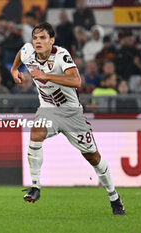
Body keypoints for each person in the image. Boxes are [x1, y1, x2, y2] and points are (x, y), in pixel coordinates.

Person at [10, 22, 125, 215]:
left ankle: (113, 196)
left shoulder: (61, 55)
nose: (38, 41)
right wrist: (14, 70)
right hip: (48, 110)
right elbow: (20, 55)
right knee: (36, 132)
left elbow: (76, 81)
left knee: (93, 157)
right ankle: (36, 186)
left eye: (43, 38)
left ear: (51, 40)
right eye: (35, 38)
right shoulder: (27, 51)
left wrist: (47, 77)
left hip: (71, 113)